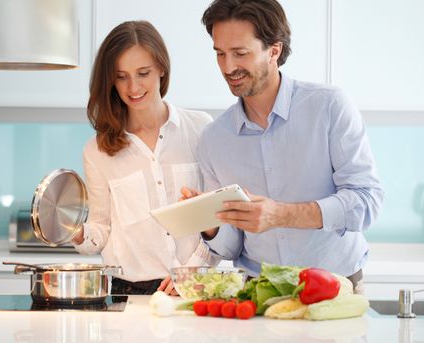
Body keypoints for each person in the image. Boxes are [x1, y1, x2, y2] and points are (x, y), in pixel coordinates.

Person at [182, 0, 383, 293]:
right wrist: (210, 223)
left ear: (273, 50)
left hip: (335, 287)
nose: (228, 67)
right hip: (259, 291)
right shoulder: (214, 139)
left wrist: (281, 214)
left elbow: (367, 202)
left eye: (240, 53)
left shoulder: (329, 107)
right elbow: (231, 245)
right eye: (220, 54)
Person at [71, 20, 218, 295]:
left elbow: (218, 217)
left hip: (198, 285)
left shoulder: (200, 128)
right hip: (129, 292)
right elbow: (101, 229)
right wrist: (75, 231)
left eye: (143, 73)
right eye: (121, 76)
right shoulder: (97, 150)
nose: (133, 87)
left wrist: (194, 268)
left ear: (162, 68)